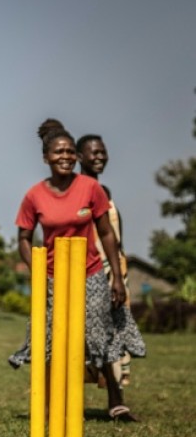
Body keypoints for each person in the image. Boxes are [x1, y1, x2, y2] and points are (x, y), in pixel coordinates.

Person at [8, 119, 145, 421]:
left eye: (71, 152)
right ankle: (50, 404)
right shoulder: (34, 196)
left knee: (100, 336)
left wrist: (118, 279)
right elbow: (23, 239)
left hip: (90, 271)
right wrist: (38, 273)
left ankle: (116, 401)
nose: (66, 157)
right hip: (54, 277)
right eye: (59, 152)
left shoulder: (91, 188)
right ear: (46, 158)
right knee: (51, 338)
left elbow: (107, 233)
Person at [77, 134, 145, 388]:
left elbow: (113, 234)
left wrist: (119, 272)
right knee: (90, 328)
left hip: (115, 268)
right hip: (87, 270)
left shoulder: (105, 192)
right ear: (79, 157)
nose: (100, 157)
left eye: (102, 152)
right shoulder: (73, 190)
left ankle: (114, 386)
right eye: (93, 153)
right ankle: (98, 374)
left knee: (115, 326)